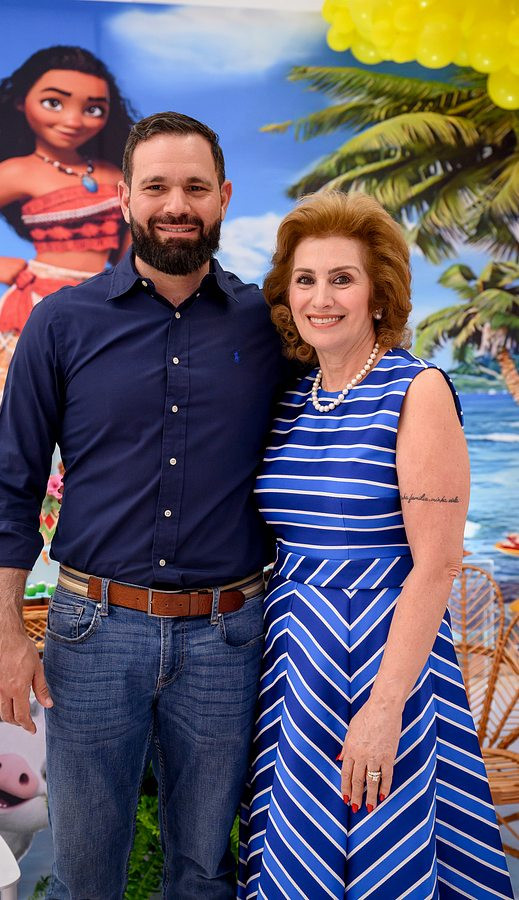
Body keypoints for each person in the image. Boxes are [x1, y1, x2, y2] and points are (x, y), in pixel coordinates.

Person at [0, 112, 290, 899]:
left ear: (222, 197)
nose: (175, 204)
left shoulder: (270, 325)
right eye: (156, 187)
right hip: (91, 634)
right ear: (125, 198)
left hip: (229, 637)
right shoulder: (61, 321)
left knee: (204, 871)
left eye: (194, 187)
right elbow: (11, 482)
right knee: (85, 873)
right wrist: (7, 634)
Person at [237, 191, 514, 899]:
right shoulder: (293, 397)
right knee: (298, 853)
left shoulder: (416, 389)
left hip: (384, 660)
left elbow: (437, 566)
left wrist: (385, 709)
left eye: (342, 279)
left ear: (378, 293)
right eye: (305, 279)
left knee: (383, 844)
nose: (320, 298)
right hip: (294, 664)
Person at [0, 45, 133, 517]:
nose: (73, 120)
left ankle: (57, 551)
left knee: (87, 432)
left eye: (93, 108)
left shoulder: (115, 173)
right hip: (32, 308)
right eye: (54, 102)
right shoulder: (21, 170)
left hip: (97, 312)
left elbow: (126, 244)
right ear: (22, 103)